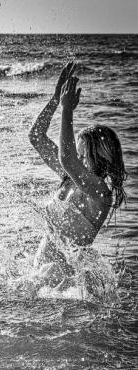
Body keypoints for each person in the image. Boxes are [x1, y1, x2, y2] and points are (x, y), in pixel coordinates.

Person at [28, 62, 127, 287]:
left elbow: (69, 159)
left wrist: (67, 110)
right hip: (41, 277)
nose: (78, 156)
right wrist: (55, 99)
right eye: (78, 152)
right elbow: (36, 136)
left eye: (82, 152)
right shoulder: (68, 177)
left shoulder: (101, 193)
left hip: (66, 288)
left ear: (97, 156)